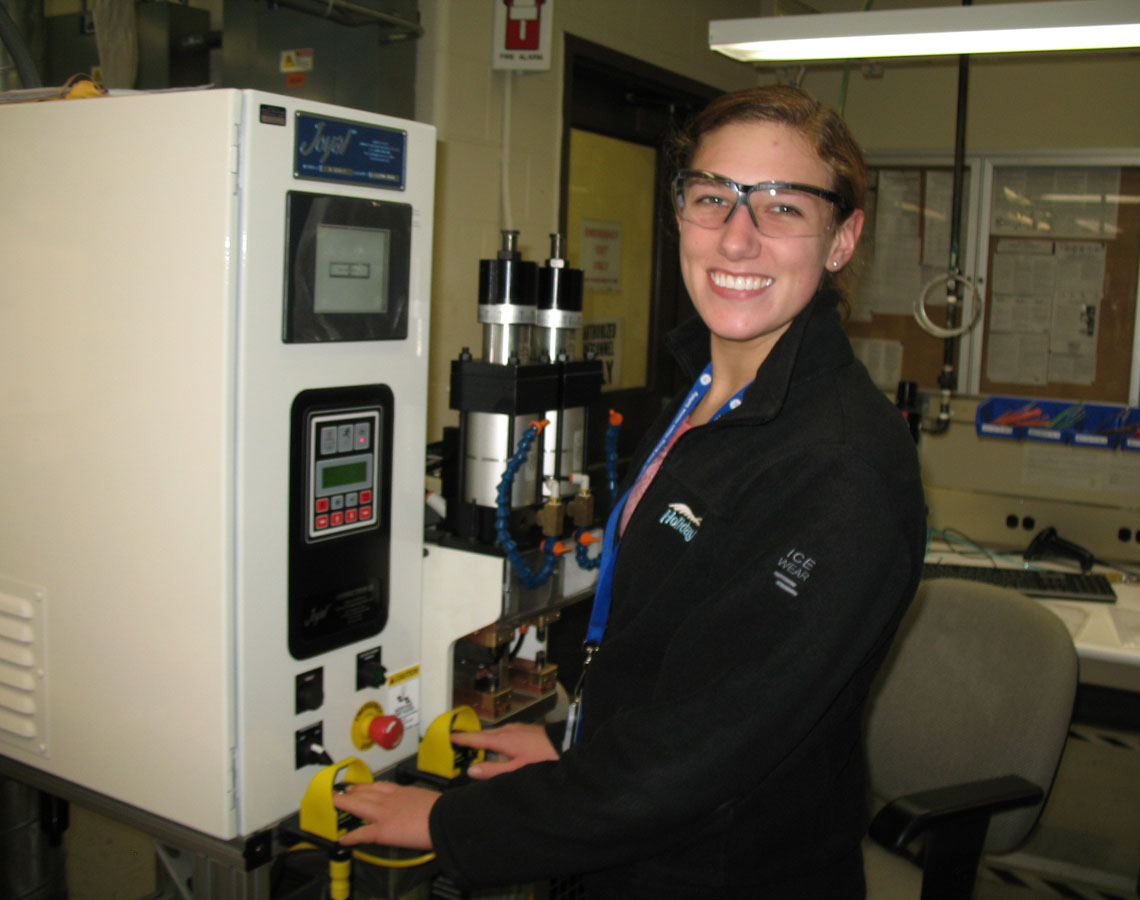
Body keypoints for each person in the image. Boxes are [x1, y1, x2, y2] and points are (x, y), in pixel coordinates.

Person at [334, 84, 926, 899]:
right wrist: (577, 738)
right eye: (713, 197)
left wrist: (449, 825)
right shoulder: (701, 391)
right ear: (681, 214)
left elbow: (703, 749)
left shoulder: (839, 465)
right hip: (635, 839)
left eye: (784, 207)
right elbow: (672, 650)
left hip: (722, 870)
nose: (738, 238)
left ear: (841, 239)